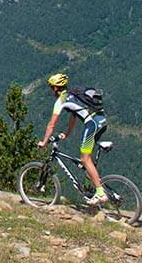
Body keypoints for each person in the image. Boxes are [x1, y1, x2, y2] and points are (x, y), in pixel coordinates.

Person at [38, 73, 108, 205]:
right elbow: (74, 115)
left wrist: (44, 142)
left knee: (84, 159)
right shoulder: (72, 94)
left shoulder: (61, 101)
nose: (50, 90)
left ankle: (100, 193)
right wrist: (67, 133)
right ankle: (92, 183)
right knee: (87, 160)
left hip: (92, 124)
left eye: (51, 87)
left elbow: (51, 124)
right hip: (101, 120)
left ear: (55, 88)